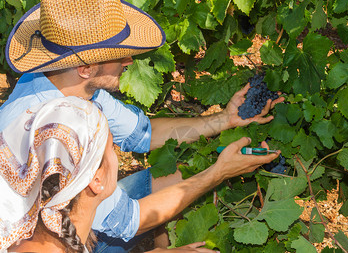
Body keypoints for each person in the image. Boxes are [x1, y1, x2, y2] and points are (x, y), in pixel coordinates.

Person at [0, 0, 282, 251]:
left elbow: (142, 135)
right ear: (86, 68)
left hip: (63, 226)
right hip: (52, 243)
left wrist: (223, 120)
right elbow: (129, 221)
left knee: (179, 175)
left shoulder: (67, 84)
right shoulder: (56, 133)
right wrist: (219, 172)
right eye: (119, 55)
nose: (129, 61)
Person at [0, 96, 237, 252]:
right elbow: (130, 220)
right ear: (96, 180)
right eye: (112, 148)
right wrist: (219, 172)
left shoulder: (28, 233)